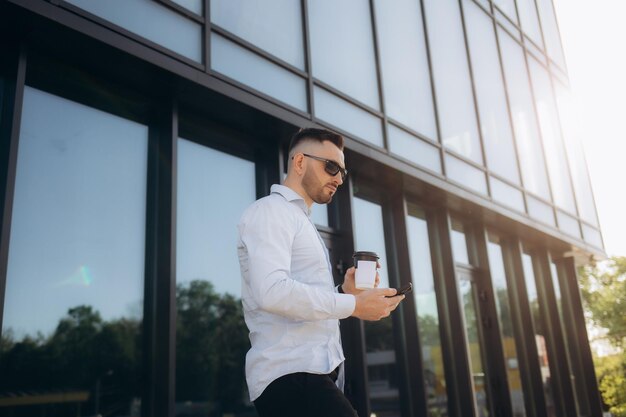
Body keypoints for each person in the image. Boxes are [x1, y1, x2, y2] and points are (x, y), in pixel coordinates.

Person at [237, 127, 405, 417]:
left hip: (308, 377)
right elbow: (271, 291)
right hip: (290, 375)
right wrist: (354, 305)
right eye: (331, 167)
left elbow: (297, 296)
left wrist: (344, 292)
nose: (339, 178)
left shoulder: (299, 220)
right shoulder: (271, 211)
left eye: (342, 171)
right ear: (299, 162)